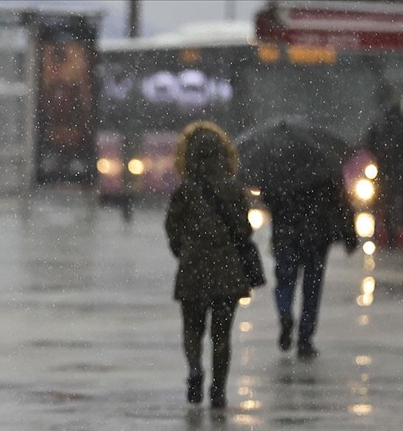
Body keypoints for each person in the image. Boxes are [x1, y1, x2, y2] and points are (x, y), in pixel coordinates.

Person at [165, 121, 251, 409]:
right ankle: (218, 390)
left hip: (193, 268)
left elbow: (172, 229)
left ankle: (194, 369)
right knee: (222, 334)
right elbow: (244, 229)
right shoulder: (232, 188)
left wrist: (184, 250)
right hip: (227, 271)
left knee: (192, 328)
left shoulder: (185, 189)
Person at [262, 164, 358, 360]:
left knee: (284, 282)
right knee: (312, 288)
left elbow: (268, 198)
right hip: (317, 235)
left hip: (286, 234)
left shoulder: (280, 164)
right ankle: (305, 339)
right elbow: (341, 200)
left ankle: (285, 313)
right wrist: (349, 234)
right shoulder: (324, 164)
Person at [364, 98, 403, 247]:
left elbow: (369, 141)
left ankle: (386, 233)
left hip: (387, 171)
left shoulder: (383, 123)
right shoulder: (385, 123)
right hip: (388, 171)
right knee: (384, 203)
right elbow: (370, 141)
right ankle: (388, 233)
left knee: (383, 203)